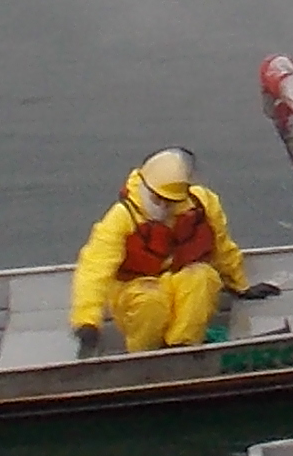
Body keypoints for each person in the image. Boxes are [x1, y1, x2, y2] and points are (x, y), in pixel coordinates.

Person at [71, 148, 258, 354]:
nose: (162, 206)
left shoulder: (202, 204)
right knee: (150, 300)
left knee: (202, 277)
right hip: (134, 290)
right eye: (157, 199)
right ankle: (144, 354)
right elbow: (94, 268)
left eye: (169, 202)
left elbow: (222, 247)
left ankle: (183, 347)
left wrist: (241, 286)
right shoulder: (122, 217)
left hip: (178, 283)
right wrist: (87, 320)